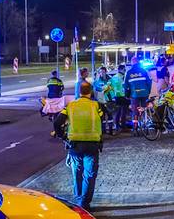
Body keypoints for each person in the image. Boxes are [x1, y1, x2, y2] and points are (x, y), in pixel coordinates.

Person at [54, 82, 104, 210]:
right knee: (89, 175)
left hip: (75, 145)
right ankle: (85, 203)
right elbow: (104, 117)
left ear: (79, 92)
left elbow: (57, 122)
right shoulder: (96, 105)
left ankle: (78, 199)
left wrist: (63, 137)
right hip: (92, 145)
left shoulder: (70, 106)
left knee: (77, 173)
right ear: (90, 92)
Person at [125, 60, 152, 126]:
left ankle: (135, 126)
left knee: (135, 111)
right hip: (144, 93)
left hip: (134, 94)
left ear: (132, 64)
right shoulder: (143, 71)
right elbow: (149, 82)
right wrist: (148, 92)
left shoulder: (129, 72)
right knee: (144, 108)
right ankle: (145, 123)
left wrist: (127, 95)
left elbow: (126, 85)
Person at [110, 64, 129, 129]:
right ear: (121, 69)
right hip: (123, 96)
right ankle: (123, 126)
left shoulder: (113, 77)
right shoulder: (123, 77)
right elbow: (125, 87)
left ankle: (117, 126)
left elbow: (111, 87)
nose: (125, 71)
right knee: (123, 112)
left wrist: (113, 96)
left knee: (117, 112)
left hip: (116, 97)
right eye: (124, 69)